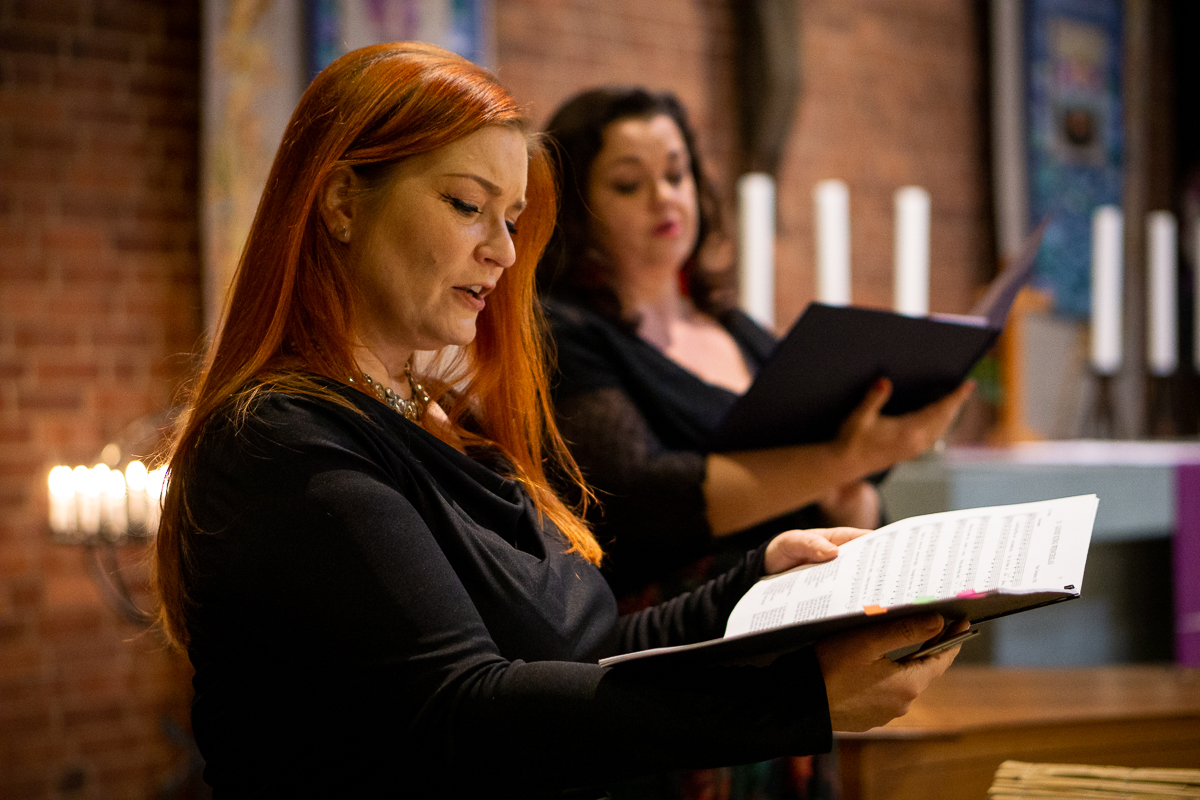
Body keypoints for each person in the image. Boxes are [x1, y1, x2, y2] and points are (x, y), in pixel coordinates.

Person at [153, 44, 967, 798]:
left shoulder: (434, 417)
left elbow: (588, 647)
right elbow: (463, 713)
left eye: (511, 220)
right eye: (468, 205)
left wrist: (759, 585)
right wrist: (798, 698)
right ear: (339, 201)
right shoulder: (281, 441)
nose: (505, 254)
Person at [537, 87, 975, 606]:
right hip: (680, 626)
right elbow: (641, 499)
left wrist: (848, 490)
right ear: (575, 208)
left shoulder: (735, 325)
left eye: (677, 175)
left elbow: (836, 483)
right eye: (629, 184)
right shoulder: (563, 330)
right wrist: (836, 461)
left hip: (809, 602)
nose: (665, 197)